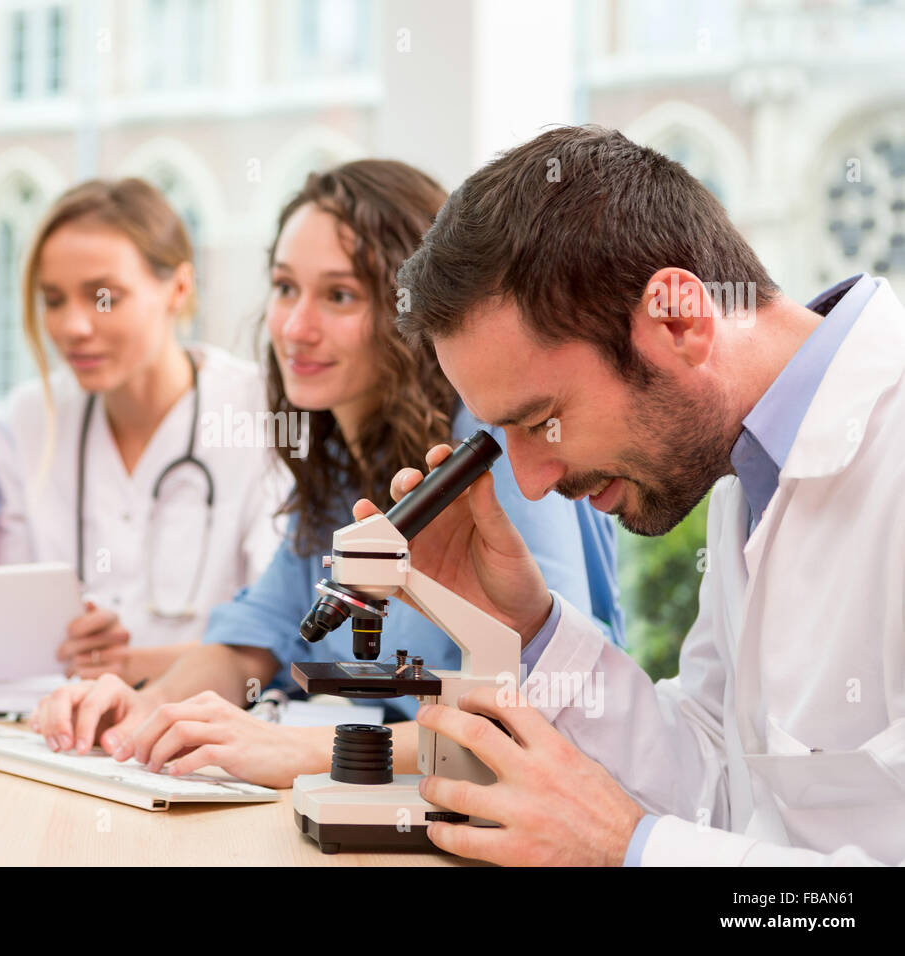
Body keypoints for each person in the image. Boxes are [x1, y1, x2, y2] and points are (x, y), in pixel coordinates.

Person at [381, 125, 905, 865]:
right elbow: (718, 786)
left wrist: (627, 852)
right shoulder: (748, 475)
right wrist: (527, 626)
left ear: (678, 319)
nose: (529, 481)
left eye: (542, 421)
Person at [32, 160, 625, 787]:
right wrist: (145, 709)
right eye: (285, 288)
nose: (295, 327)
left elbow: (551, 702)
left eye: (339, 296)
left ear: (419, 313)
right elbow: (255, 636)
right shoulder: (339, 457)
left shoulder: (495, 447)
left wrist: (305, 750)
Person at [0, 179, 287, 686]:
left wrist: (127, 667)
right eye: (53, 299)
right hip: (56, 723)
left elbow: (282, 632)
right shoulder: (29, 421)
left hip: (209, 725)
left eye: (103, 298)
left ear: (179, 289)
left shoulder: (260, 413)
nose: (73, 326)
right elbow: (4, 622)